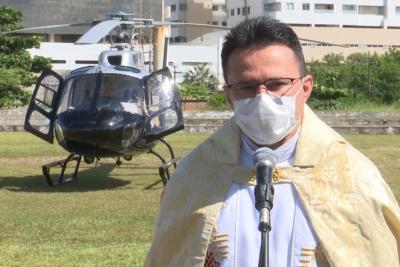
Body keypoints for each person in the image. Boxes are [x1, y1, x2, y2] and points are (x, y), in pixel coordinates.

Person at [145, 17, 400, 267]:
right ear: (229, 95)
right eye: (246, 87)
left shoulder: (355, 179)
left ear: (306, 87)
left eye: (277, 84)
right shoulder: (194, 178)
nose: (262, 98)